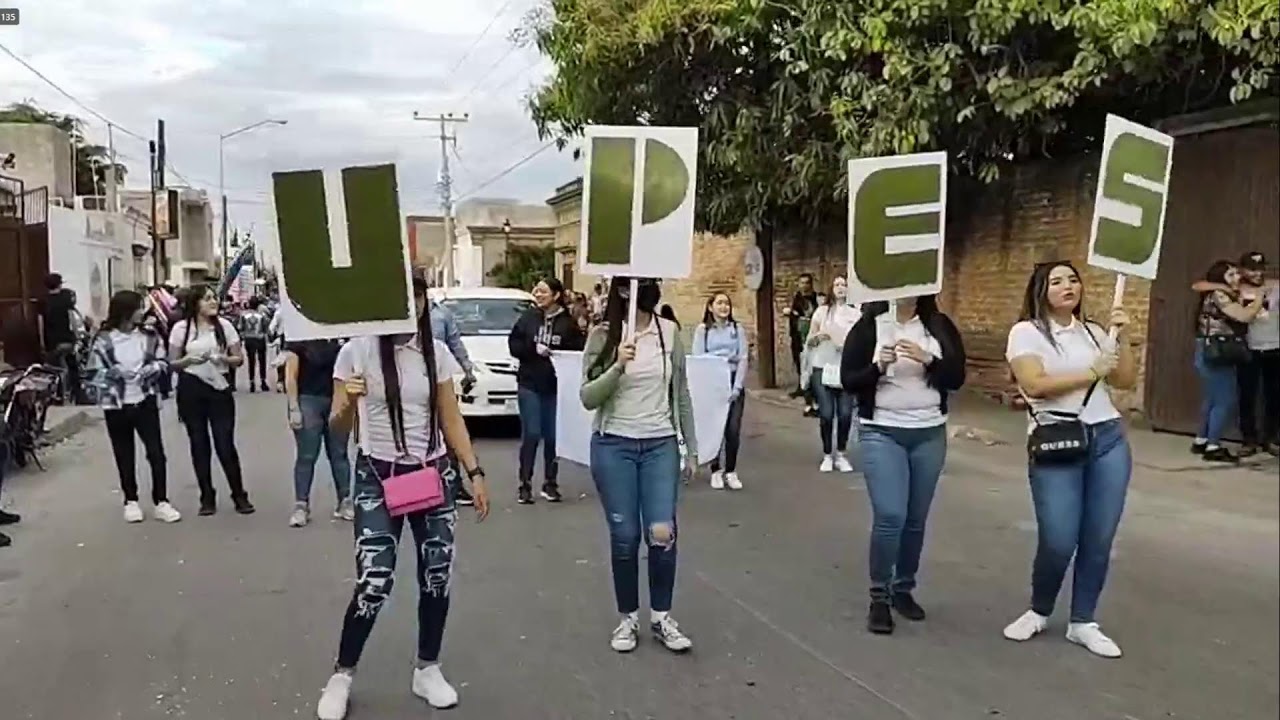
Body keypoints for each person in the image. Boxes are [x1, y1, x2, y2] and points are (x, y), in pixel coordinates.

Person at [315, 275, 490, 720]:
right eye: (400, 299)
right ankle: (342, 674)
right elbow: (337, 431)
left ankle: (427, 668)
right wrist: (348, 403)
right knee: (374, 581)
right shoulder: (356, 351)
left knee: (437, 576)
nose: (409, 309)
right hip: (377, 475)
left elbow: (451, 419)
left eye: (415, 299)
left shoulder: (439, 353)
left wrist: (474, 470)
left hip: (432, 475)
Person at [1002, 261, 1138, 658]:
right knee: (1059, 538)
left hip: (1108, 438)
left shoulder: (1095, 332)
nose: (1068, 287)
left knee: (1099, 537)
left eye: (1073, 280)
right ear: (1040, 289)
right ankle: (1039, 609)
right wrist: (1089, 371)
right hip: (1057, 440)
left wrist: (1122, 338)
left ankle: (1083, 621)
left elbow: (1124, 380)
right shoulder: (1026, 332)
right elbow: (1035, 385)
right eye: (1057, 281)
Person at [581, 277, 697, 654]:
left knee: (662, 532)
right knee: (626, 537)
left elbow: (680, 392)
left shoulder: (669, 332)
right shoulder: (603, 335)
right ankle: (627, 617)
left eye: (653, 280)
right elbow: (587, 397)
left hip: (660, 444)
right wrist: (617, 366)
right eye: (642, 281)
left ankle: (662, 616)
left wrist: (690, 447)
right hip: (614, 445)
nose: (650, 287)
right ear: (624, 290)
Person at [841, 296, 966, 634]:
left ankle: (903, 588)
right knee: (890, 515)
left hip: (928, 432)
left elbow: (957, 378)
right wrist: (877, 368)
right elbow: (849, 380)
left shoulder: (937, 326)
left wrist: (930, 360)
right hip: (882, 430)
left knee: (915, 519)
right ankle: (879, 596)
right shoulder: (870, 326)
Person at [86, 290, 181, 524]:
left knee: (156, 453)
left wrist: (153, 368)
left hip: (145, 399)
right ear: (126, 311)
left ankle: (162, 501)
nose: (143, 312)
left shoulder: (150, 336)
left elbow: (163, 361)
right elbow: (91, 373)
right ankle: (131, 500)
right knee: (124, 454)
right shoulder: (104, 339)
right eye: (139, 307)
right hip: (116, 404)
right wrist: (112, 373)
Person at [169, 285, 255, 515]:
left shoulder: (224, 326)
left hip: (219, 387)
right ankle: (207, 496)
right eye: (207, 299)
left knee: (224, 443)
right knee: (199, 443)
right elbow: (172, 362)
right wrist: (188, 360)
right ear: (195, 303)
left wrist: (223, 358)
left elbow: (239, 359)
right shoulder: (181, 329)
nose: (213, 302)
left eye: (214, 298)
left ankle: (239, 495)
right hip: (191, 387)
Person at [1193, 251, 1278, 457]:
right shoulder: (1231, 290)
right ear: (1242, 270)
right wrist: (1224, 286)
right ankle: (1241, 441)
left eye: (1261, 268)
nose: (1257, 273)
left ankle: (1271, 438)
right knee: (1241, 396)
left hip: (1274, 347)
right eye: (1251, 269)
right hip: (1245, 348)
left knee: (1273, 396)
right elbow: (1198, 286)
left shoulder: (1274, 286)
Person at [508, 277, 584, 504]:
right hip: (529, 383)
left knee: (552, 437)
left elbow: (578, 352)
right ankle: (525, 483)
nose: (538, 294)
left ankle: (550, 483)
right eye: (537, 291)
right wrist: (533, 348)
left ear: (556, 295)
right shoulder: (528, 318)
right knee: (532, 433)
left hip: (555, 387)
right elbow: (514, 345)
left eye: (543, 291)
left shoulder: (568, 323)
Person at [284, 338, 353, 526]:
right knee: (306, 455)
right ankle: (301, 505)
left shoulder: (344, 338)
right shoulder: (299, 339)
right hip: (308, 399)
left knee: (339, 453)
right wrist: (293, 407)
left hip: (337, 397)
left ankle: (345, 501)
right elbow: (291, 376)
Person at [692, 291, 748, 490]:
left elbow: (742, 358)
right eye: (719, 303)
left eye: (727, 303)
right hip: (712, 381)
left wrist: (737, 387)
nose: (724, 307)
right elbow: (699, 357)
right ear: (710, 307)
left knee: (733, 430)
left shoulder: (737, 329)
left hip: (732, 379)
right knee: (715, 428)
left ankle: (731, 470)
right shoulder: (703, 330)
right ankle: (715, 469)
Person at [428, 289, 478, 505]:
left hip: (438, 382)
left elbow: (455, 342)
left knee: (449, 435)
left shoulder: (442, 314)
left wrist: (468, 369)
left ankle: (455, 485)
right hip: (407, 385)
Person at [806, 276, 860, 472]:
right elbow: (809, 341)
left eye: (844, 285)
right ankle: (827, 454)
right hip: (822, 366)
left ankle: (842, 453)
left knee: (845, 414)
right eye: (836, 284)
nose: (840, 288)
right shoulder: (821, 313)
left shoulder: (855, 315)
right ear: (830, 288)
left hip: (845, 368)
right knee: (827, 414)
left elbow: (861, 343)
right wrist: (819, 336)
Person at [37, 273, 83, 405]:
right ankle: (76, 393)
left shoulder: (43, 301)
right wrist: (76, 335)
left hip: (51, 341)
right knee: (72, 366)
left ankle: (56, 395)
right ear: (60, 284)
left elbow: (40, 323)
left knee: (53, 369)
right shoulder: (65, 299)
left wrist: (41, 342)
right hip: (66, 339)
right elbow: (71, 319)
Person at [783, 274, 819, 407]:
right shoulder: (797, 298)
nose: (804, 285)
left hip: (811, 335)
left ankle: (812, 392)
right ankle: (801, 387)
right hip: (797, 335)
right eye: (801, 283)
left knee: (811, 364)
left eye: (806, 283)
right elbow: (795, 314)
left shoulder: (816, 299)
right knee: (799, 362)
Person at [237, 297, 271, 392]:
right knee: (262, 360)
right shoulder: (262, 315)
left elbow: (240, 327)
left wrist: (243, 336)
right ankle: (263, 381)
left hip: (249, 339)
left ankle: (252, 382)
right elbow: (265, 328)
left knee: (251, 361)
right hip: (260, 339)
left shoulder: (244, 315)